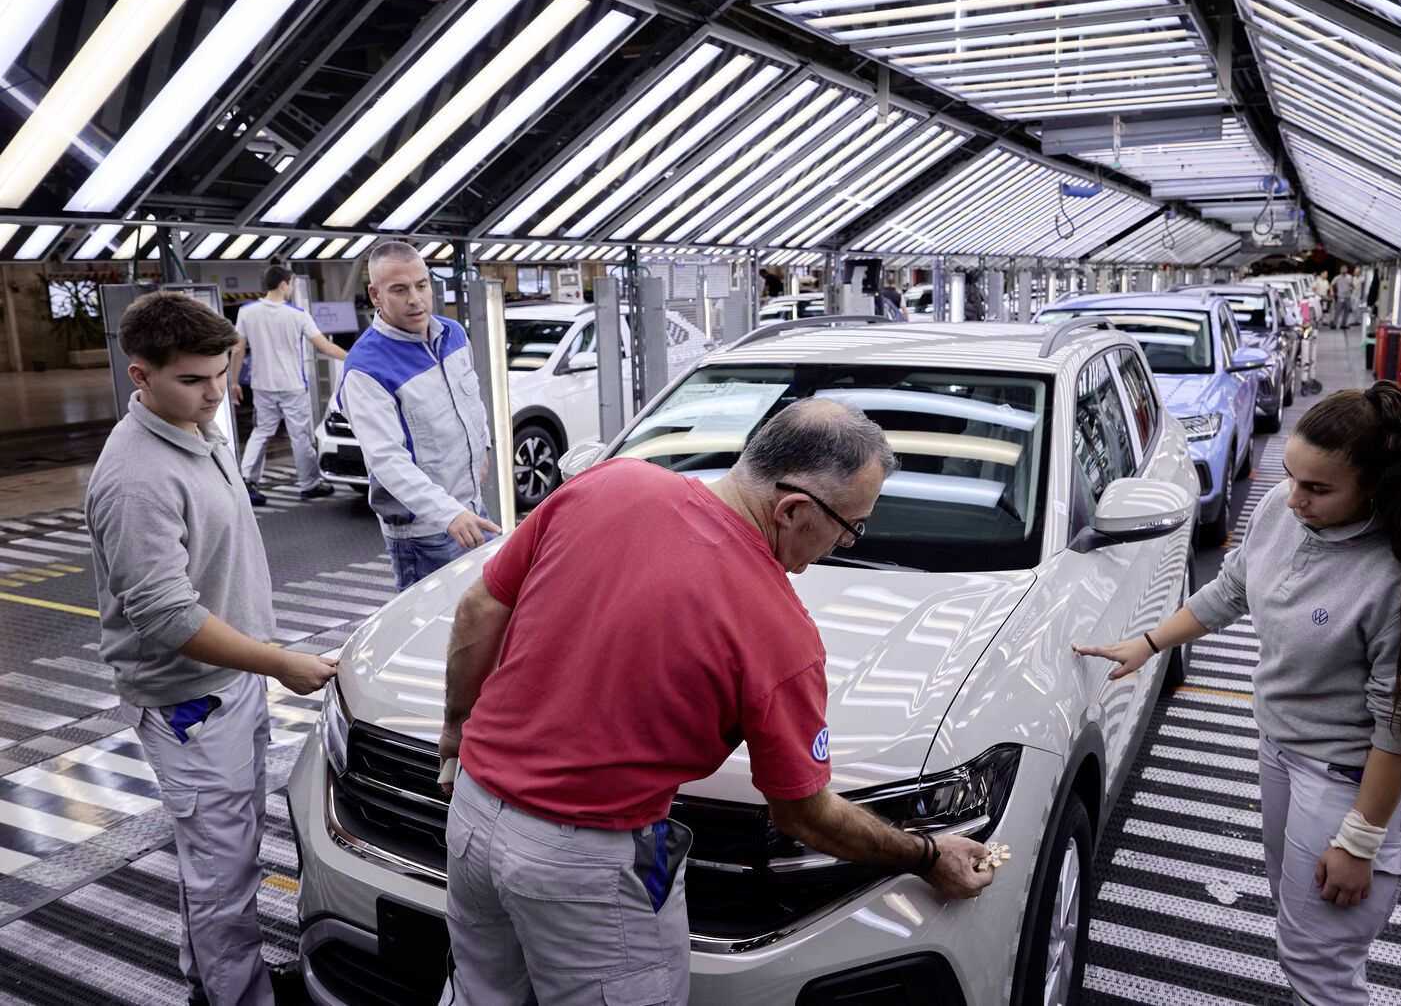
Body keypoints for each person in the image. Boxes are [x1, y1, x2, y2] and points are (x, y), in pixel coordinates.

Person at [436, 399, 992, 1006]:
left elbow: (480, 609)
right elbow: (802, 814)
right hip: (585, 867)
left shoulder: (611, 481)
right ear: (794, 509)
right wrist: (927, 853)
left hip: (470, 814)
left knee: (481, 994)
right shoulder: (778, 632)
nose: (846, 543)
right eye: (851, 527)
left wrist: (455, 736)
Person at [1075, 381, 1401, 1006]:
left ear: (1376, 487)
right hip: (1281, 748)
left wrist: (1360, 842)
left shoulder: (1399, 583)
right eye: (1292, 476)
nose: (1295, 498)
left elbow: (1399, 731)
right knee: (1296, 918)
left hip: (1349, 776)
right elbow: (1230, 589)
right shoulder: (1279, 508)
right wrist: (1150, 644)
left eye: (1318, 488)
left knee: (1319, 959)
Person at [85, 291, 337, 1006]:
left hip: (230, 679)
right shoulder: (137, 477)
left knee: (223, 853)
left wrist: (260, 659)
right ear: (141, 376)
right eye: (193, 379)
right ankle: (238, 996)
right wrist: (280, 662)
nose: (215, 392)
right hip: (192, 699)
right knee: (223, 869)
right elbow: (166, 614)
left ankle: (213, 977)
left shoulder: (196, 428)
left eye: (222, 373)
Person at [339, 241, 498, 590]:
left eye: (421, 285)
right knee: (431, 639)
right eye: (399, 289)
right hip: (425, 535)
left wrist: (483, 445)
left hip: (472, 513)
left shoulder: (452, 334)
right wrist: (447, 513)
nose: (415, 299)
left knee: (483, 627)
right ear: (375, 295)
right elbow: (387, 460)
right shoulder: (366, 368)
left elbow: (473, 403)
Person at [231, 263, 348, 504]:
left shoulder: (247, 311)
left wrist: (233, 382)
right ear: (284, 283)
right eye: (291, 284)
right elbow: (324, 347)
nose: (291, 288)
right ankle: (310, 485)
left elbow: (238, 349)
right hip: (292, 385)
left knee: (261, 431)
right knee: (299, 436)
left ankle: (248, 480)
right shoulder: (297, 315)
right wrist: (353, 358)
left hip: (262, 385)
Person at [1331, 265, 1356, 329]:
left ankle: (1343, 324)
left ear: (1347, 270)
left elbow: (1352, 284)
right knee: (1338, 310)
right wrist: (1332, 291)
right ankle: (1334, 324)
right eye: (1342, 269)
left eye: (1345, 269)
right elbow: (1331, 284)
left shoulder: (1350, 277)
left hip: (1347, 296)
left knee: (1346, 311)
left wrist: (1352, 288)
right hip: (1340, 296)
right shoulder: (1337, 277)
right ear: (1340, 270)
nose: (1344, 271)